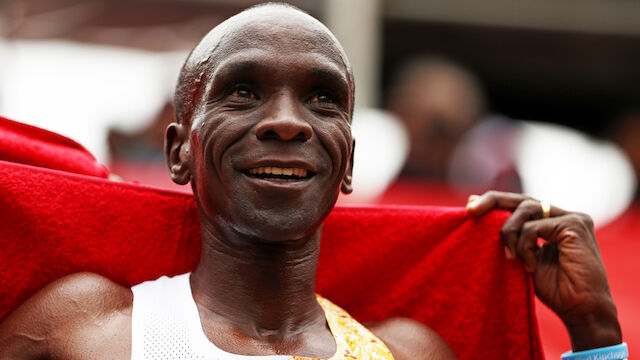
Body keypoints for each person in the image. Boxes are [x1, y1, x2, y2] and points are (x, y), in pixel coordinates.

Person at [0, 3, 624, 359]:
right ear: (179, 153)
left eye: (322, 99)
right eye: (242, 92)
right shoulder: (86, 329)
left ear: (347, 161)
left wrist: (595, 332)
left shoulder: (409, 354)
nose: (285, 122)